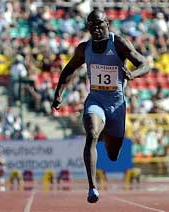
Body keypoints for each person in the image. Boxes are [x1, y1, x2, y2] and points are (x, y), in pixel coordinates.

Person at [51, 9, 149, 203]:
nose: (96, 28)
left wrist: (133, 74)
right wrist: (58, 94)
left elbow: (144, 63)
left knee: (113, 155)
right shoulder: (83, 48)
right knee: (91, 134)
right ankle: (92, 187)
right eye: (92, 25)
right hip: (96, 100)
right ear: (88, 27)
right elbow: (69, 69)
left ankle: (104, 131)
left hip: (117, 104)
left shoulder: (119, 43)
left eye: (99, 24)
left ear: (107, 24)